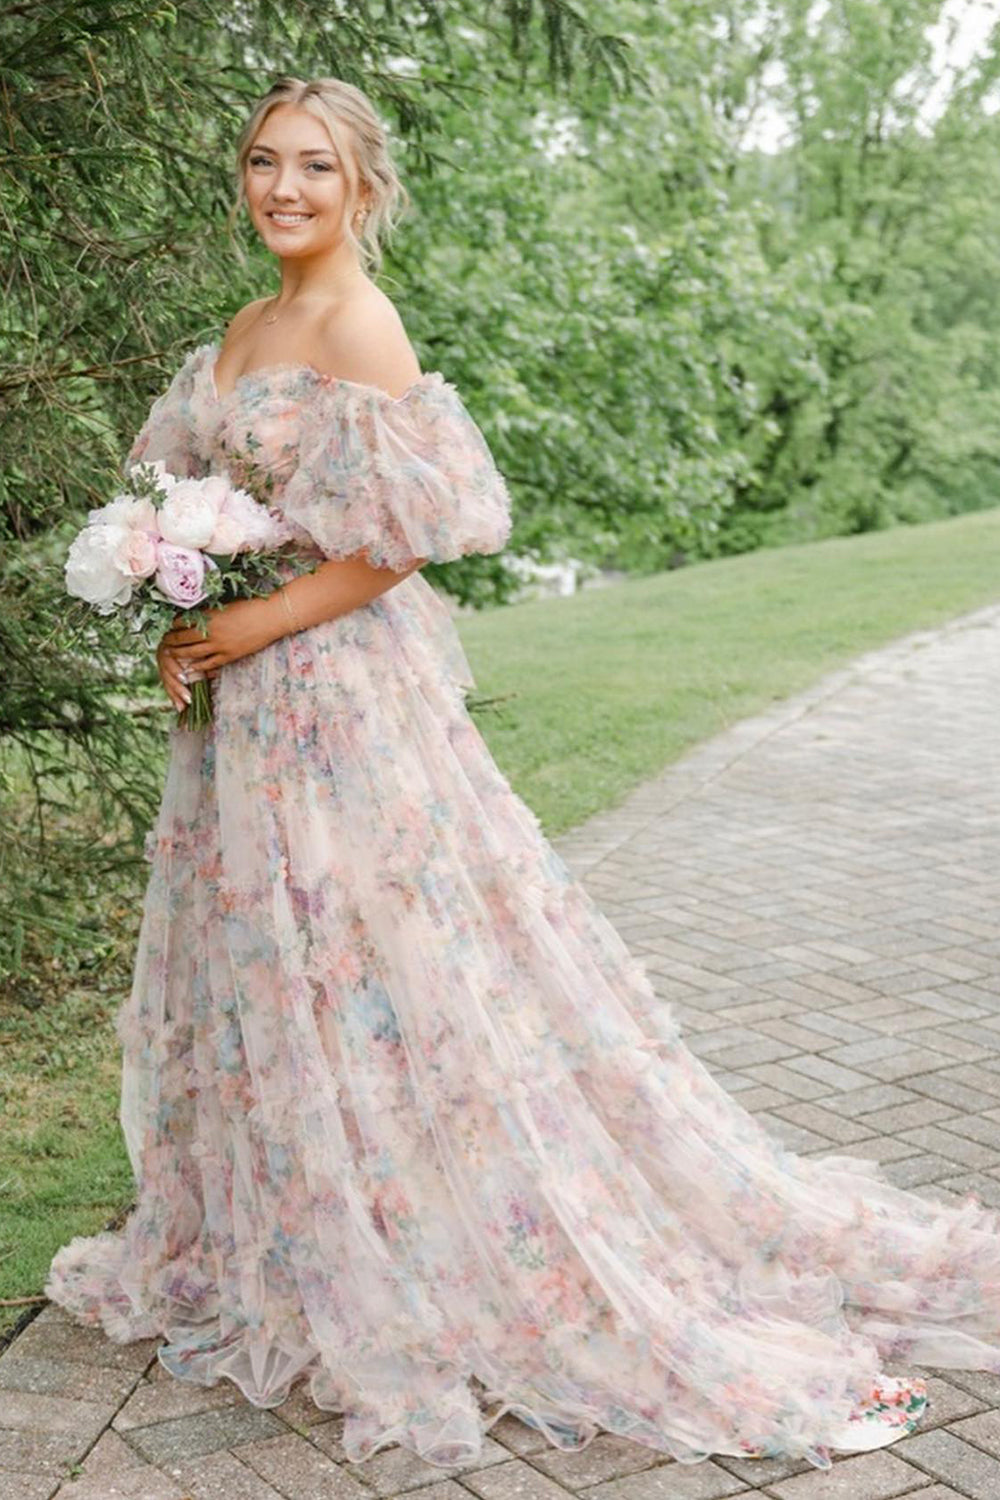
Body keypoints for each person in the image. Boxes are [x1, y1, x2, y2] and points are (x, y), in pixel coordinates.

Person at [43, 75, 1000, 1475]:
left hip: (339, 710)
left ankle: (490, 1251)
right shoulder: (246, 328)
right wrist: (166, 583)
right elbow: (193, 492)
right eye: (264, 162)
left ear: (361, 185)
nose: (284, 188)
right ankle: (310, 1226)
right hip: (247, 722)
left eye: (315, 166)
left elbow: (418, 533)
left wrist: (248, 618)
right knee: (277, 965)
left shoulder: (361, 326)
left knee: (395, 965)